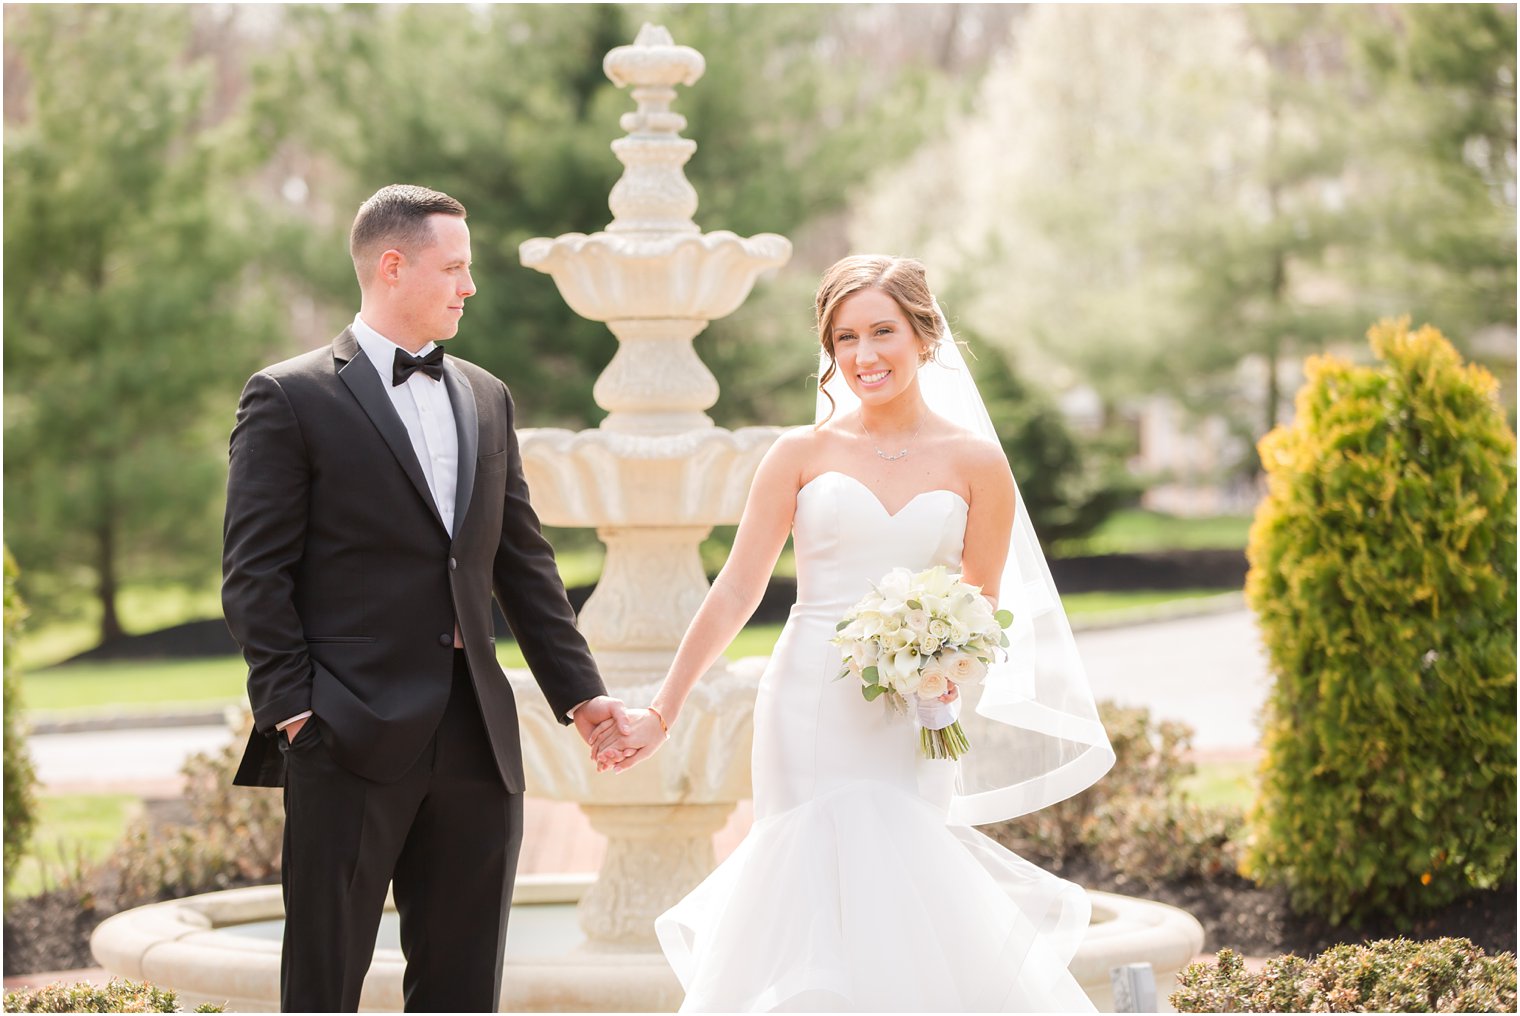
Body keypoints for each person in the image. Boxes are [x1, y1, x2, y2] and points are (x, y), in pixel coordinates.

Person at [591, 255, 1115, 1011]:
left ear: (923, 335)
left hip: (915, 718)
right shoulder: (800, 455)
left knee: (906, 888)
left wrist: (946, 675)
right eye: (844, 339)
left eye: (882, 332)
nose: (863, 356)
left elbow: (984, 603)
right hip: (808, 703)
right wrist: (663, 709)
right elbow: (738, 586)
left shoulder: (977, 463)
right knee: (808, 895)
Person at [222, 183, 630, 1013]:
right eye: (455, 268)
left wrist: (581, 695)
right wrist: (295, 711)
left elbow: (523, 562)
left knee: (462, 987)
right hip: (345, 732)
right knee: (324, 984)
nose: (468, 287)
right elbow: (252, 573)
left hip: (478, 733)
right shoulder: (289, 396)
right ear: (393, 265)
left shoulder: (485, 394)